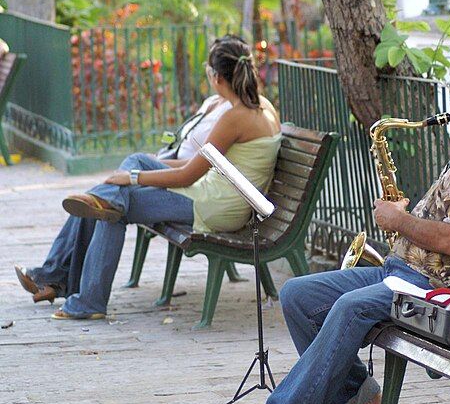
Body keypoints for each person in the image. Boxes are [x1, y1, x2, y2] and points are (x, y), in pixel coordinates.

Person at [212, 58, 450, 404]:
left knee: (350, 307)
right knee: (297, 295)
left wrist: (399, 219)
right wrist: (408, 215)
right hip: (405, 270)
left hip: (439, 287)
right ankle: (354, 401)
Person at [14, 35, 281, 319]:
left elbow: (188, 175)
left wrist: (133, 178)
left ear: (216, 77)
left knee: (114, 207)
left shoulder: (235, 117)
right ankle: (71, 261)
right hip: (217, 193)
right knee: (133, 168)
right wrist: (140, 170)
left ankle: (85, 298)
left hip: (216, 205)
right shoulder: (262, 106)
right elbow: (197, 165)